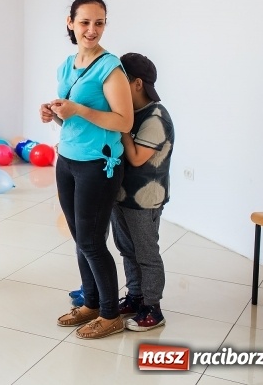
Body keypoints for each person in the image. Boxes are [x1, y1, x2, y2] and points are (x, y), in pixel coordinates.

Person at [40, 0, 133, 340]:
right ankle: (91, 303)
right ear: (70, 23)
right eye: (85, 22)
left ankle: (111, 315)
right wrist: (54, 114)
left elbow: (123, 122)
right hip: (68, 161)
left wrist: (78, 110)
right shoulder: (67, 64)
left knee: (93, 242)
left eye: (99, 22)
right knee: (81, 239)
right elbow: (69, 118)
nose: (92, 30)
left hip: (99, 165)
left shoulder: (110, 67)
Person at [112, 53, 174, 331]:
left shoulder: (156, 117)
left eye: (119, 79)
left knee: (146, 253)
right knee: (127, 249)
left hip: (145, 199)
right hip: (122, 195)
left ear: (136, 83)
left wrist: (121, 125)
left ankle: (153, 308)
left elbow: (137, 157)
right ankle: (135, 297)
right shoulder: (131, 113)